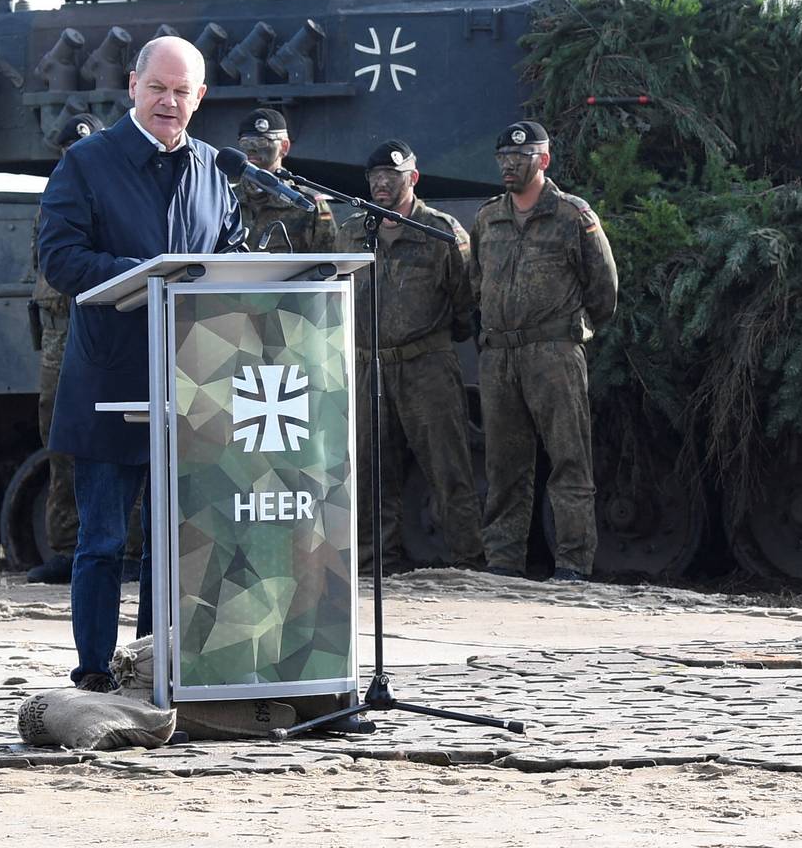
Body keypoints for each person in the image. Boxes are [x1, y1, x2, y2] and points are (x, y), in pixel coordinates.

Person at [36, 36, 244, 690]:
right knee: (102, 541)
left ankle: (157, 666)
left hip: (192, 382)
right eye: (158, 88)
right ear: (133, 85)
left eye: (182, 92)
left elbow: (230, 254)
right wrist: (143, 274)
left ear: (200, 97)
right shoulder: (87, 164)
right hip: (110, 380)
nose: (169, 102)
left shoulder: (213, 169)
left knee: (174, 544)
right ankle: (96, 671)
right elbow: (59, 257)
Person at [470, 120, 617, 581]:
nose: (509, 166)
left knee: (569, 459)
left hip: (553, 352)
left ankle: (573, 563)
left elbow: (604, 288)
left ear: (544, 160)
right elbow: (476, 282)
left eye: (520, 157)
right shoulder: (488, 218)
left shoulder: (572, 215)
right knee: (504, 465)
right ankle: (503, 561)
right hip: (499, 355)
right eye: (504, 158)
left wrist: (568, 330)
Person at [360, 139, 482, 569]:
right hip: (369, 366)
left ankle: (467, 560)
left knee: (448, 466)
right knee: (371, 470)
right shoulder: (352, 232)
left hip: (426, 366)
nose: (381, 184)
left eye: (391, 177)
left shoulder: (442, 232)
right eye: (375, 177)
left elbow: (467, 302)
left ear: (412, 178)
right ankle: (377, 561)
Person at [26, 111, 99, 585]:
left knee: (122, 434)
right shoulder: (53, 199)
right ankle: (67, 548)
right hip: (57, 332)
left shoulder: (112, 197)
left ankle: (133, 548)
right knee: (59, 437)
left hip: (102, 327)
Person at [233, 106, 341, 253]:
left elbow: (327, 258)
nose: (252, 149)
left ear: (284, 147)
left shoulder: (307, 203)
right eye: (246, 142)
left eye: (261, 142)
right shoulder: (229, 200)